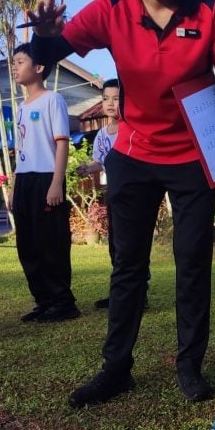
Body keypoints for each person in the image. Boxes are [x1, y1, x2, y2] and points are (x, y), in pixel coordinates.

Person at [27, 0, 215, 406]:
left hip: (195, 158)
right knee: (128, 267)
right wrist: (42, 33)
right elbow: (52, 52)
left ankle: (189, 365)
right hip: (133, 153)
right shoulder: (111, 8)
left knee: (193, 264)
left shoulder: (207, 10)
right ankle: (116, 367)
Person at [9, 43, 80, 324]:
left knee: (51, 241)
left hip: (46, 177)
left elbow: (61, 143)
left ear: (38, 68)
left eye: (21, 61)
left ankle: (63, 302)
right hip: (25, 180)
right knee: (28, 243)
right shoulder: (20, 107)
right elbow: (20, 150)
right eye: (13, 62)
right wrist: (14, 188)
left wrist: (56, 183)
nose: (15, 67)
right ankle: (43, 300)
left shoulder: (52, 100)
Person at [76, 79, 121, 309]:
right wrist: (87, 168)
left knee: (130, 246)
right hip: (113, 194)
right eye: (106, 98)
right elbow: (99, 162)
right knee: (114, 246)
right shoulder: (102, 135)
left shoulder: (131, 130)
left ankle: (137, 294)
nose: (111, 103)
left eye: (116, 98)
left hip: (133, 195)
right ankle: (119, 294)